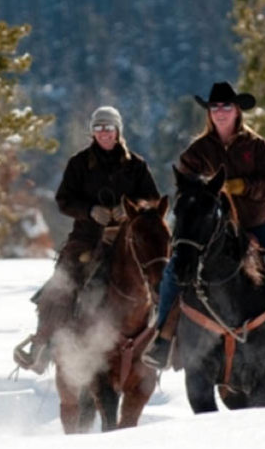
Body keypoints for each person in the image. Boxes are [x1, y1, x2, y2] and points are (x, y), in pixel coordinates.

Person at [142, 82, 265, 369]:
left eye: (226, 107)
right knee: (174, 270)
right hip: (208, 231)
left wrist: (244, 186)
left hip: (253, 224)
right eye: (215, 107)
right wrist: (203, 191)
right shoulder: (198, 151)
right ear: (209, 113)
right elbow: (184, 182)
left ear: (237, 111)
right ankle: (163, 338)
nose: (220, 112)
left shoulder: (256, 146)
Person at [14, 106, 160, 373]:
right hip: (86, 238)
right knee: (59, 286)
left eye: (109, 127)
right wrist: (90, 211)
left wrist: (129, 209)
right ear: (93, 132)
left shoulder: (136, 166)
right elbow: (63, 201)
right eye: (99, 127)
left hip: (127, 240)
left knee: (160, 275)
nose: (104, 132)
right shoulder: (78, 163)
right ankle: (42, 345)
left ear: (118, 131)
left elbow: (152, 200)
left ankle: (163, 341)